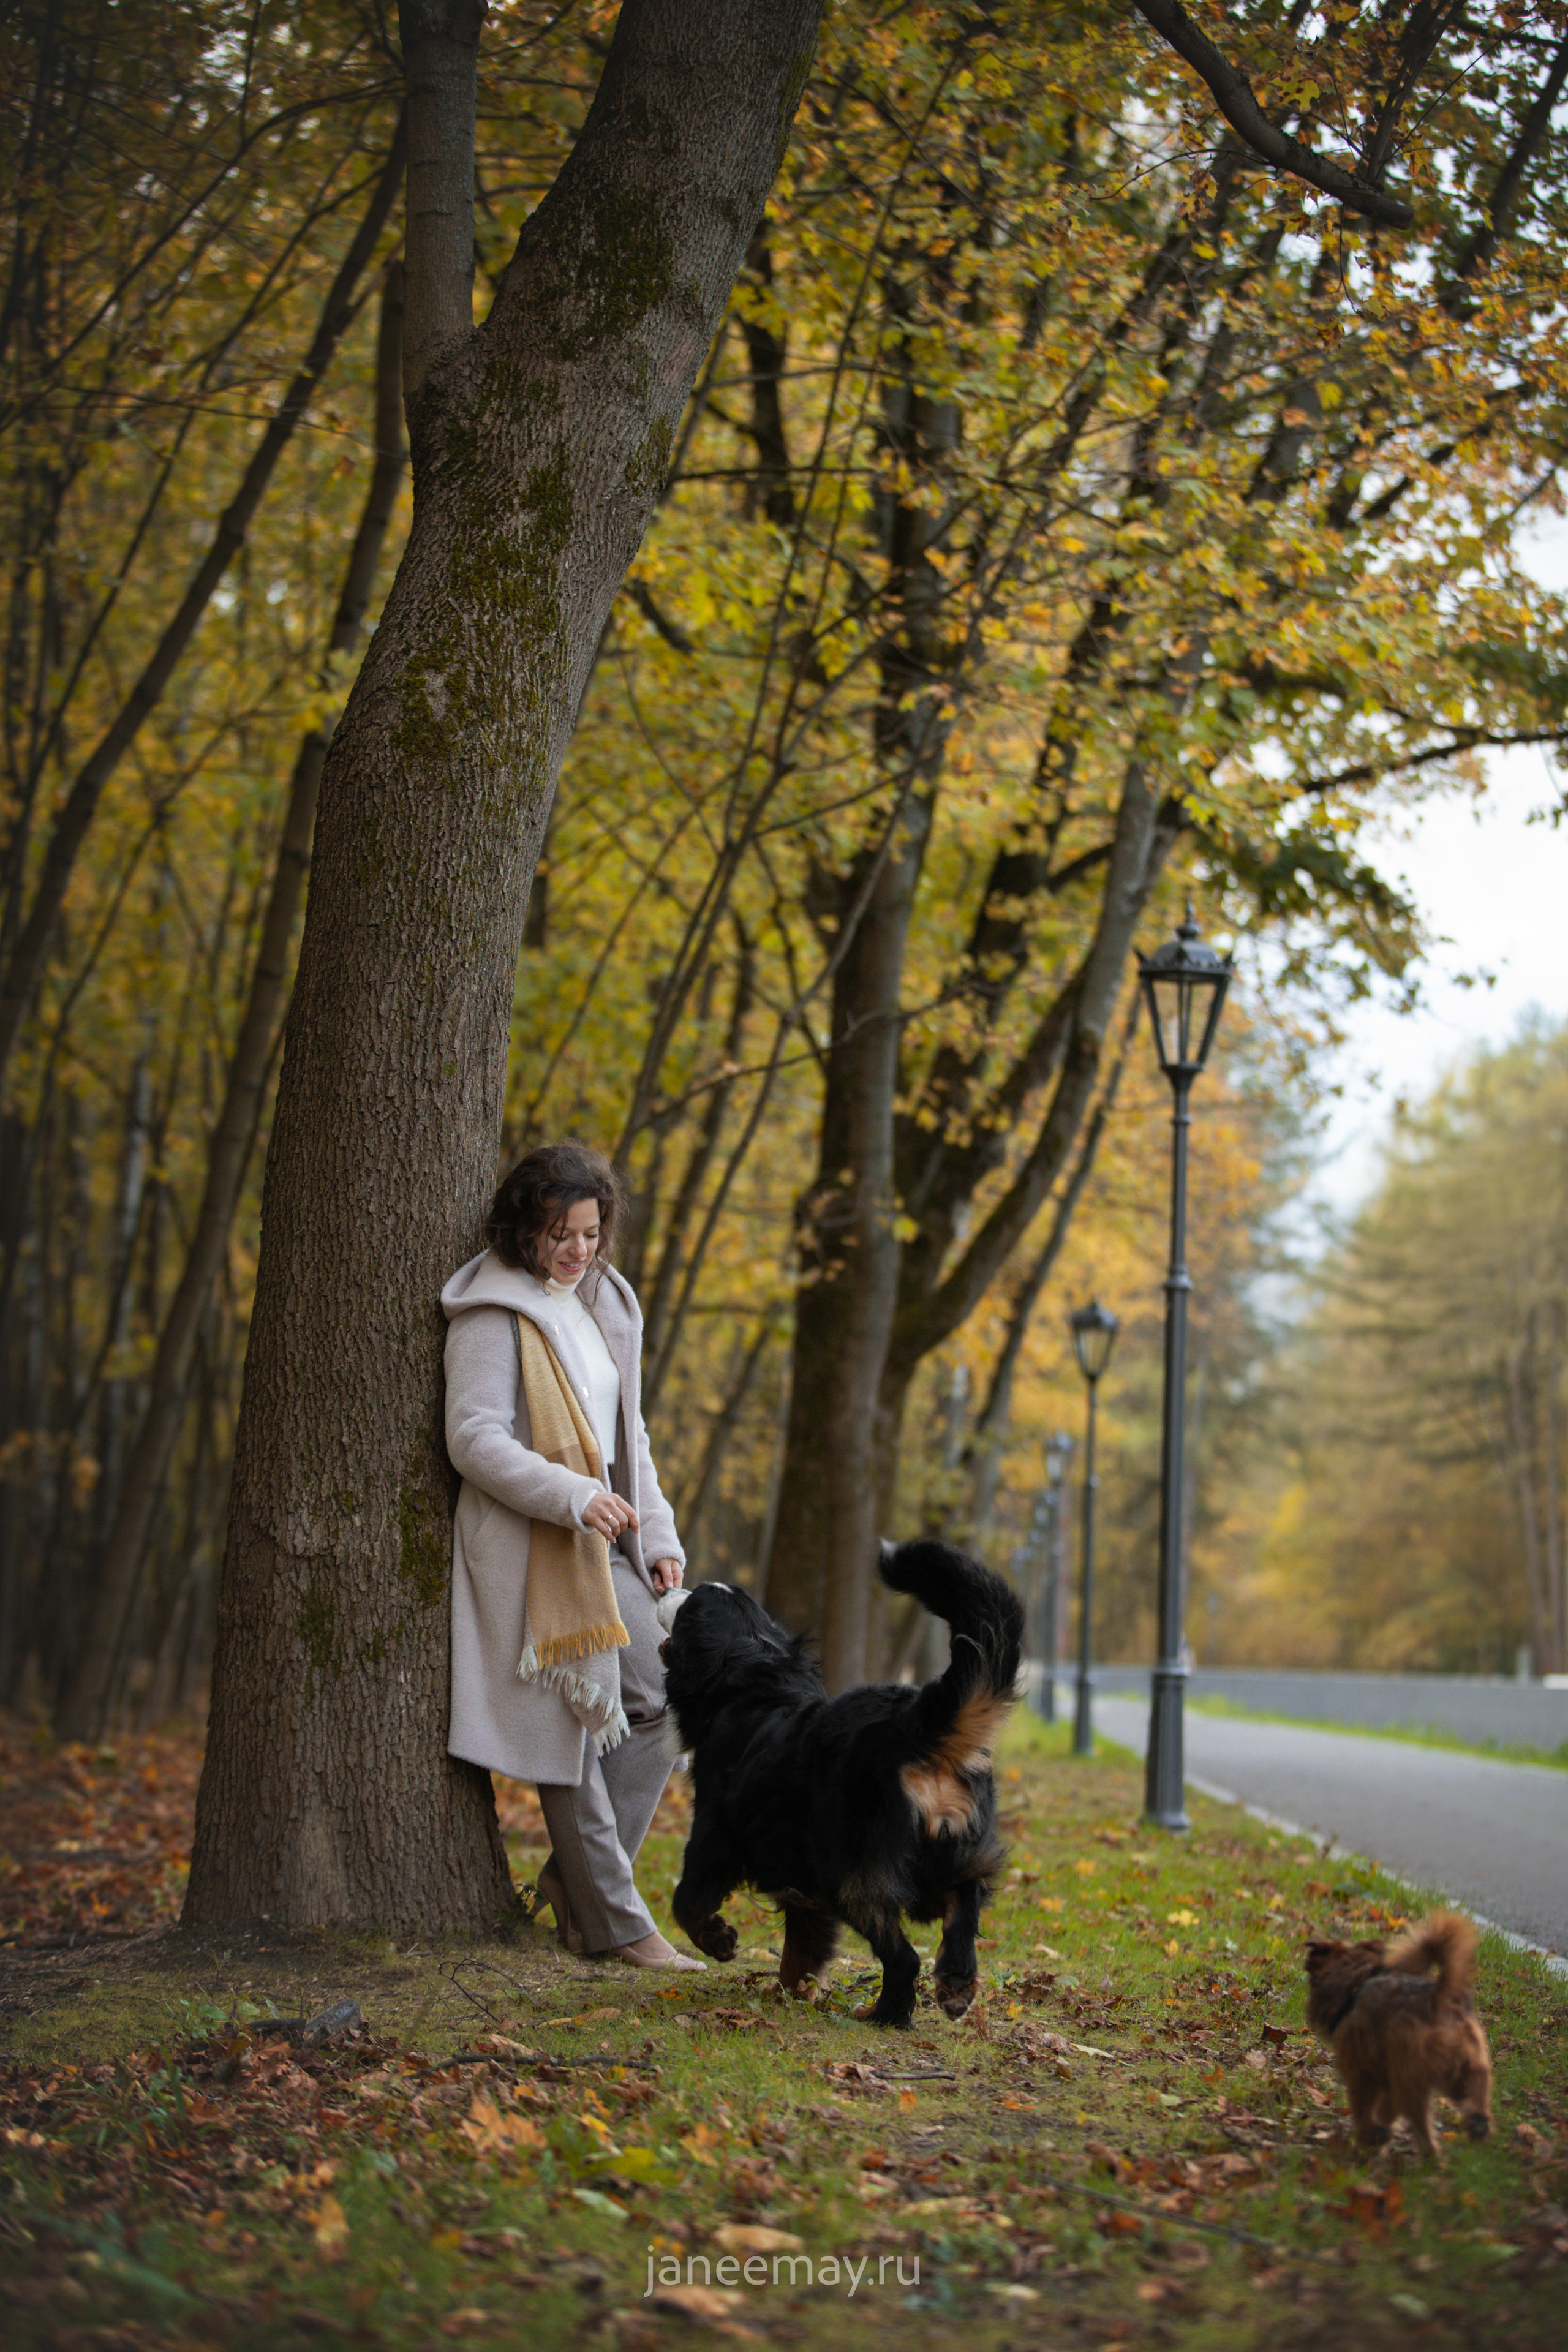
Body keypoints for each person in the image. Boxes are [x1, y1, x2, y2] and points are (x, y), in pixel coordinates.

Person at [441, 1141, 703, 1969]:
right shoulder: (493, 1310)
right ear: (524, 1226)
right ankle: (616, 1925)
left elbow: (632, 1439)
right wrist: (571, 1495)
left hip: (605, 1542)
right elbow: (473, 1440)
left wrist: (655, 1537)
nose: (578, 1249)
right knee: (570, 1724)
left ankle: (575, 1886)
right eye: (561, 1233)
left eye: (590, 1232)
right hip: (532, 1549)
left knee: (670, 1694)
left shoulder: (603, 1301)